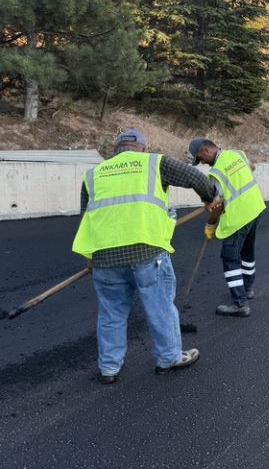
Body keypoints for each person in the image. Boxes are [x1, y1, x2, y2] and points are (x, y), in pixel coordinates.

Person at [72, 128, 219, 384]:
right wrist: (210, 197)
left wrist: (90, 256)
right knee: (160, 307)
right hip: (147, 252)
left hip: (105, 257)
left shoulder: (93, 174)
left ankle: (109, 368)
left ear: (116, 148)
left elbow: (86, 219)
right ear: (142, 147)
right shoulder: (154, 163)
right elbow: (195, 177)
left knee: (111, 314)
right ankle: (168, 358)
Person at [188, 138, 266, 317]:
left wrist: (210, 224)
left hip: (238, 218)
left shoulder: (216, 173)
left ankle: (240, 303)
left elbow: (217, 206)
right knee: (247, 252)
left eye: (200, 158)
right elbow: (251, 167)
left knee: (230, 257)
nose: (202, 163)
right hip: (255, 209)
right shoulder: (237, 154)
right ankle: (247, 289)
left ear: (206, 150)